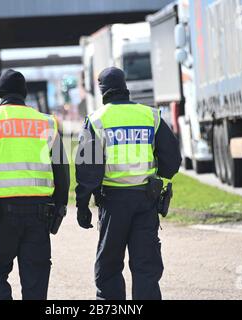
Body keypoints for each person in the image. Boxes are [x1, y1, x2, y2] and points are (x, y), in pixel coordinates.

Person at [0, 69, 70, 300]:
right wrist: (59, 210)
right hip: (39, 216)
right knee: (36, 284)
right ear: (24, 94)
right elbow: (62, 171)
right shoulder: (47, 123)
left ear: (0, 94)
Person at [75, 67, 181, 300]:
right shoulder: (150, 116)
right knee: (146, 268)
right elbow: (172, 160)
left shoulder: (96, 120)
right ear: (125, 87)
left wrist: (83, 205)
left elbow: (87, 170)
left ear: (102, 90)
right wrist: (157, 174)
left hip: (113, 204)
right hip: (146, 201)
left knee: (109, 268)